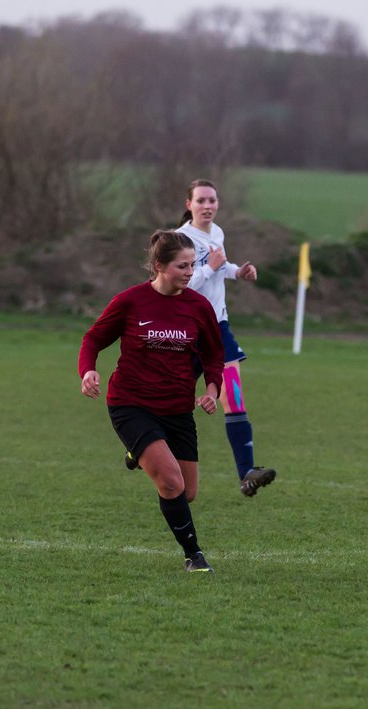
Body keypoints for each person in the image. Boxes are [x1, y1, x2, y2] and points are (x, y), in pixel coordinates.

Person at [79, 230, 225, 573]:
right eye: (182, 266)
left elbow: (214, 356)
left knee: (186, 493)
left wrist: (211, 391)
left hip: (177, 409)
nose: (190, 273)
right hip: (131, 404)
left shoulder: (198, 306)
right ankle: (194, 556)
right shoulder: (131, 301)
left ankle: (137, 454)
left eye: (193, 265)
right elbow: (93, 338)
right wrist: (87, 371)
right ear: (159, 266)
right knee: (170, 482)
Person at [174, 178, 277, 498]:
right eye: (201, 200)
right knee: (169, 400)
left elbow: (219, 267)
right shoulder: (180, 239)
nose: (208, 206)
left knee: (233, 395)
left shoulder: (217, 233)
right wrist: (210, 268)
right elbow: (179, 286)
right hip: (187, 329)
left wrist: (237, 271)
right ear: (188, 204)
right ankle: (139, 448)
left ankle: (247, 472)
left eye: (212, 200)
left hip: (218, 327)